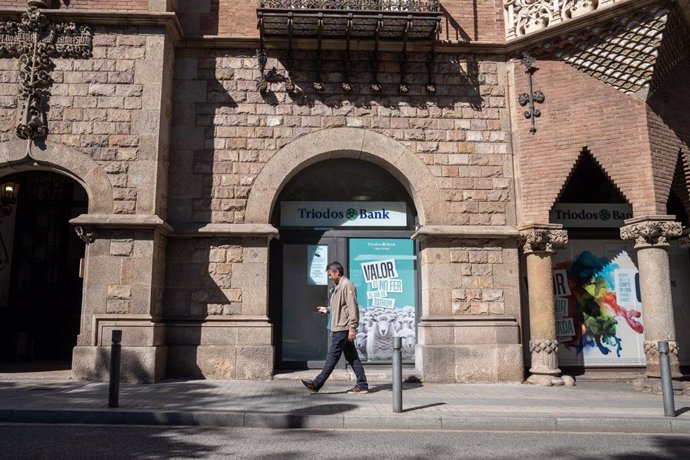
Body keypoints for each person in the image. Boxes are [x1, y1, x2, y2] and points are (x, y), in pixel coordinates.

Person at [301, 261, 369, 394]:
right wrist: (326, 309)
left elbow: (352, 308)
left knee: (332, 357)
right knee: (353, 357)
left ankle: (317, 383)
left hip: (342, 329)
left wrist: (352, 328)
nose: (329, 277)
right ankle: (362, 385)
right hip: (340, 327)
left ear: (337, 272)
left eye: (330, 274)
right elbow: (339, 307)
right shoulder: (338, 286)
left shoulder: (346, 285)